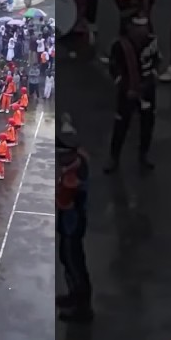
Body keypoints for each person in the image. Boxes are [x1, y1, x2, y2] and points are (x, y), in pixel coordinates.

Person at [103, 16, 160, 173]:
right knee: (121, 123)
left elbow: (156, 61)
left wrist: (149, 80)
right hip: (127, 90)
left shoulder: (152, 42)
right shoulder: (120, 46)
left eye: (145, 26)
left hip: (147, 89)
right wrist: (124, 86)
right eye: (138, 26)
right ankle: (114, 157)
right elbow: (114, 69)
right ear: (129, 27)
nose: (143, 30)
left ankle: (144, 154)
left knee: (147, 122)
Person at [58, 122, 94, 323]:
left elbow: (63, 201)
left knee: (74, 264)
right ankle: (73, 295)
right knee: (66, 259)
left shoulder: (73, 175)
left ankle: (82, 307)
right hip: (70, 222)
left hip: (72, 223)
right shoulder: (79, 160)